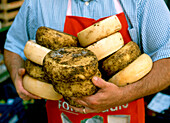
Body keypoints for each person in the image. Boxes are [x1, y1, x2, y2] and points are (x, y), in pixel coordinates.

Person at [4, 0, 170, 122]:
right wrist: (16, 74)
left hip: (124, 114)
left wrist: (125, 94)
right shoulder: (38, 3)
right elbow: (15, 45)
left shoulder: (144, 2)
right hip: (61, 115)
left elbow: (167, 59)